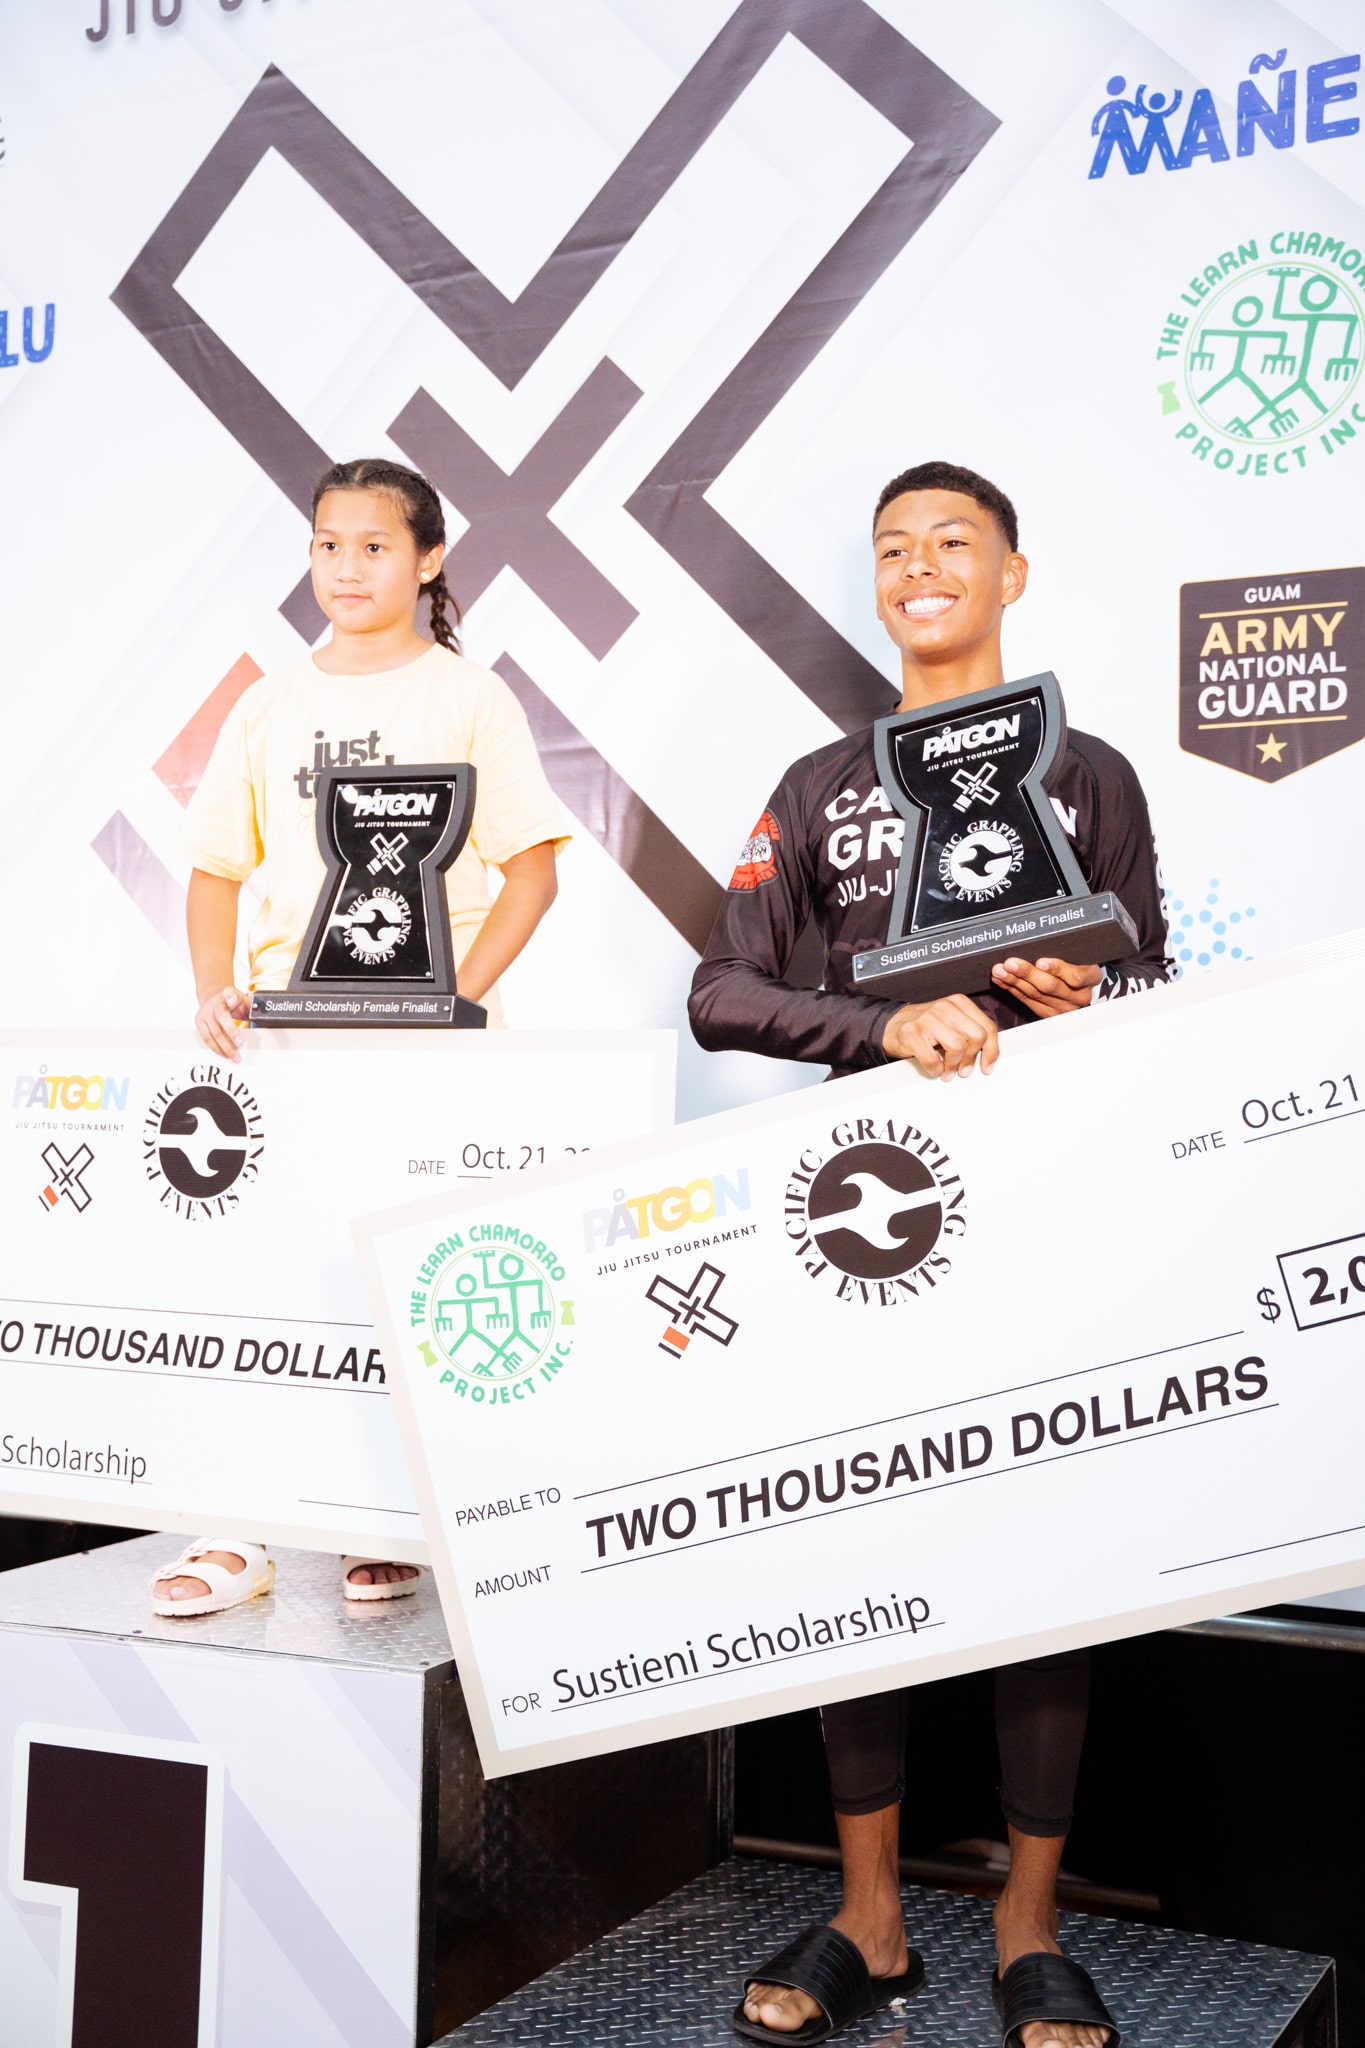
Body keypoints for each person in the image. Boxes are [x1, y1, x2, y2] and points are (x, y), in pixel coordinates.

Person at [690, 460, 1171, 2048]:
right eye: (892, 548)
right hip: (866, 1221)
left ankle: (1029, 1925)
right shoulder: (819, 781)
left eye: (951, 543)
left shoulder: (1088, 775)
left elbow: (1157, 993)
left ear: (1013, 577)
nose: (917, 567)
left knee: (1044, 1562)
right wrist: (885, 1021)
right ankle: (871, 1915)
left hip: (1048, 1213)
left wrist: (1081, 997)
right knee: (860, 1554)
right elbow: (723, 992)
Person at [151, 458, 568, 1618]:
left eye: (374, 546)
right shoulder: (268, 702)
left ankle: (377, 1524)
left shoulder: (467, 697)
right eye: (328, 544)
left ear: (427, 559)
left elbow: (531, 875)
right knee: (267, 1283)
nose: (347, 566)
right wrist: (212, 987)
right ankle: (240, 1527)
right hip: (292, 1042)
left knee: (397, 1286)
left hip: (423, 1056)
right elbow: (215, 867)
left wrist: (459, 999)